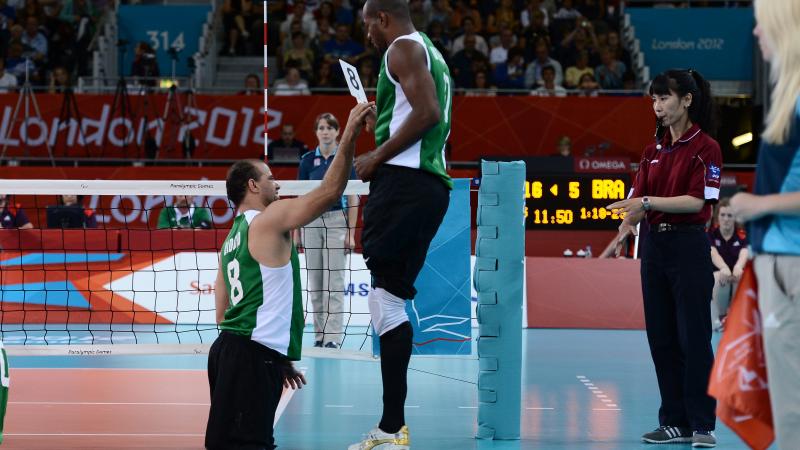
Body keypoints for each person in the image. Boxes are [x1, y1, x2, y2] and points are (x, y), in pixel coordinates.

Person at [204, 101, 374, 449]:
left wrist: (277, 355)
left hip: (227, 353)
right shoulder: (270, 218)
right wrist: (350, 135)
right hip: (250, 359)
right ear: (253, 186)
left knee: (225, 442)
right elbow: (329, 193)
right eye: (270, 178)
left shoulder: (230, 238)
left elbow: (223, 315)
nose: (277, 184)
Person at [349, 1, 452, 448]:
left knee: (386, 306)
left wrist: (376, 153)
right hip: (426, 185)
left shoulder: (401, 50)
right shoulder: (428, 49)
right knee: (387, 302)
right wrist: (383, 124)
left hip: (406, 185)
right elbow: (422, 112)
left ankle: (392, 429)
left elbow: (429, 113)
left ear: (382, 18)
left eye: (367, 25)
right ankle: (392, 426)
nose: (367, 35)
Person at [607, 69, 721, 447]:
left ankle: (702, 423)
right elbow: (640, 199)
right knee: (662, 338)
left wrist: (644, 203)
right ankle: (674, 421)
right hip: (654, 249)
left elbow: (697, 201)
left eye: (665, 98)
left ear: (686, 100)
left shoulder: (706, 148)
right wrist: (627, 218)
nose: (658, 106)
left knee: (694, 337)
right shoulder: (651, 150)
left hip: (689, 247)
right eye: (654, 99)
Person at [729, 2, 800, 448]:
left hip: (790, 265)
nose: (755, 31)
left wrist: (757, 205)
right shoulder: (788, 97)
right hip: (781, 263)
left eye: (762, 20)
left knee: (790, 404)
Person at [296, 113, 360, 349]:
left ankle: (332, 336)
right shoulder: (306, 160)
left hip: (336, 221)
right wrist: (296, 230)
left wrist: (351, 233)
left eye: (330, 127)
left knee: (335, 281)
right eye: (321, 127)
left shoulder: (345, 159)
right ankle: (320, 334)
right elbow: (300, 197)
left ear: (337, 131)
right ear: (316, 132)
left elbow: (354, 197)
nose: (325, 131)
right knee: (315, 282)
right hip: (310, 221)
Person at [707, 197, 748, 331]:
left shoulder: (741, 235)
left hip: (736, 276)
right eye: (723, 215)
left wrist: (738, 267)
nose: (726, 219)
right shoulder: (711, 235)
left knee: (742, 277)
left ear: (735, 217)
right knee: (720, 277)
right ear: (717, 216)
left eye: (730, 215)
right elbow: (713, 253)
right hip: (720, 276)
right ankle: (721, 318)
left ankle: (737, 317)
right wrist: (724, 268)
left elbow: (744, 253)